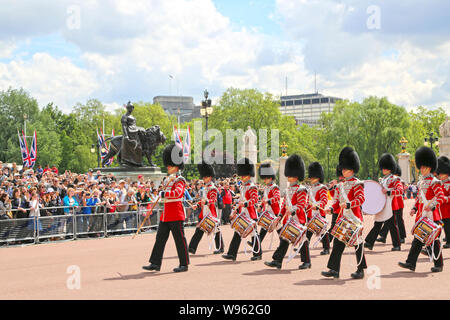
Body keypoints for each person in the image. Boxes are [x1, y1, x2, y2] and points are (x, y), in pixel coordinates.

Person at [321, 146, 367, 279]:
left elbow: (361, 199)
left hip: (354, 218)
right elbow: (337, 203)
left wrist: (348, 204)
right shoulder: (341, 185)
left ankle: (360, 270)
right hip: (343, 218)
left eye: (345, 168)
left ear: (352, 170)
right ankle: (334, 270)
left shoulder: (357, 184)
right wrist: (330, 209)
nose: (343, 170)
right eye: (343, 168)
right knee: (337, 244)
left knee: (357, 244)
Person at [143, 143, 189, 273]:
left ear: (177, 165)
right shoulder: (167, 179)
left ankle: (184, 263)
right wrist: (161, 196)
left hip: (176, 213)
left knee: (179, 240)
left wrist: (164, 194)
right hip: (166, 214)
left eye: (171, 164)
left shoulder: (179, 180)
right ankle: (155, 263)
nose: (168, 166)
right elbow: (166, 197)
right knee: (160, 239)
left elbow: (178, 194)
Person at [399, 147, 445, 273]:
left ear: (430, 167)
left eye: (424, 167)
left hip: (432, 215)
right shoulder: (421, 183)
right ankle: (411, 263)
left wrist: (431, 205)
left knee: (434, 241)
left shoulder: (434, 182)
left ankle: (439, 264)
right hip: (422, 216)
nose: (422, 169)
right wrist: (414, 208)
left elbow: (440, 197)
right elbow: (419, 198)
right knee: (418, 240)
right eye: (421, 167)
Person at [264, 154, 307, 269]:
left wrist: (293, 211)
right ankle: (277, 261)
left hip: (298, 219)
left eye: (291, 175)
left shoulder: (301, 189)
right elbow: (284, 205)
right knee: (284, 239)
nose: (288, 177)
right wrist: (280, 216)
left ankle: (306, 262)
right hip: (289, 220)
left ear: (297, 176)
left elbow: (302, 205)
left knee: (302, 240)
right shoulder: (288, 189)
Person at [222, 157, 261, 261]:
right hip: (243, 213)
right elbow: (241, 199)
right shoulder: (243, 186)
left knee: (254, 234)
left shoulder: (252, 186)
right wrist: (236, 209)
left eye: (243, 175)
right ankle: (232, 254)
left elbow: (255, 200)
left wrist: (245, 204)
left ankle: (257, 254)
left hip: (251, 213)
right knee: (237, 232)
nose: (242, 177)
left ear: (248, 175)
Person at [364, 153, 402, 251]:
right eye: (383, 168)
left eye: (385, 168)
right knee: (377, 224)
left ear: (390, 168)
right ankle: (369, 242)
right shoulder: (382, 180)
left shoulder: (395, 179)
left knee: (392, 226)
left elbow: (400, 191)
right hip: (382, 205)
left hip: (390, 205)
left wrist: (389, 191)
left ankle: (397, 245)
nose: (383, 170)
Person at [188, 161, 225, 255]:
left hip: (210, 212)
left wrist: (206, 202)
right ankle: (192, 248)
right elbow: (203, 200)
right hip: (204, 211)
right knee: (199, 230)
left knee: (216, 230)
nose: (204, 178)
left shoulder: (212, 188)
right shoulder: (205, 188)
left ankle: (220, 247)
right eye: (203, 177)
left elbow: (213, 200)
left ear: (210, 177)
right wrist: (198, 204)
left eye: (206, 177)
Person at [301, 162, 330, 270]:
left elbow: (324, 200)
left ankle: (326, 248)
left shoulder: (322, 188)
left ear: (317, 177)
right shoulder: (310, 188)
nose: (310, 178)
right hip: (310, 213)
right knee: (308, 231)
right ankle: (304, 247)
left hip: (318, 213)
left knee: (322, 231)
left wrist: (317, 207)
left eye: (312, 177)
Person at [251, 161, 281, 249]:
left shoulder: (274, 187)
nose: (264, 180)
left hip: (274, 211)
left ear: (270, 177)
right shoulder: (266, 187)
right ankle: (258, 243)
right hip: (268, 211)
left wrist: (268, 202)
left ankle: (283, 243)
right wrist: (260, 206)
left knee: (279, 229)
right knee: (264, 227)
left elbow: (277, 197)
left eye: (266, 178)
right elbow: (264, 198)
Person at [377, 164, 407, 244]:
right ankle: (383, 236)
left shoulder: (398, 180)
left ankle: (402, 236)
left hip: (397, 201)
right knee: (388, 220)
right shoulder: (386, 179)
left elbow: (400, 190)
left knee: (398, 220)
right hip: (391, 201)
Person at [435, 156, 450, 249]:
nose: (439, 175)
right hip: (441, 209)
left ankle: (449, 241)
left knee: (448, 225)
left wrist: (445, 199)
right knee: (445, 225)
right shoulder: (439, 183)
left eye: (441, 173)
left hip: (448, 208)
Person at [327, 165, 344, 243]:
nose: (340, 177)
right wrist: (331, 187)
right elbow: (334, 196)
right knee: (333, 226)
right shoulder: (338, 185)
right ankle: (327, 241)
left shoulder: (346, 184)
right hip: (337, 209)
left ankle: (326, 241)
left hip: (344, 210)